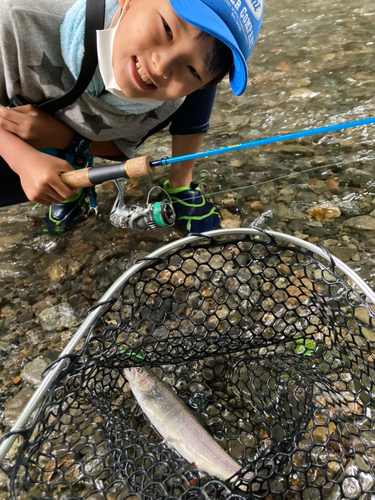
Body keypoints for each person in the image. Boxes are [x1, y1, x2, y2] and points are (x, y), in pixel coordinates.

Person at [0, 0, 264, 232]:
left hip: (64, 131)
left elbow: (120, 149)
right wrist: (22, 159)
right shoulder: (17, 17)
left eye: (193, 70)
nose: (161, 67)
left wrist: (61, 137)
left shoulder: (170, 99)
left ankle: (73, 167)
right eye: (168, 29)